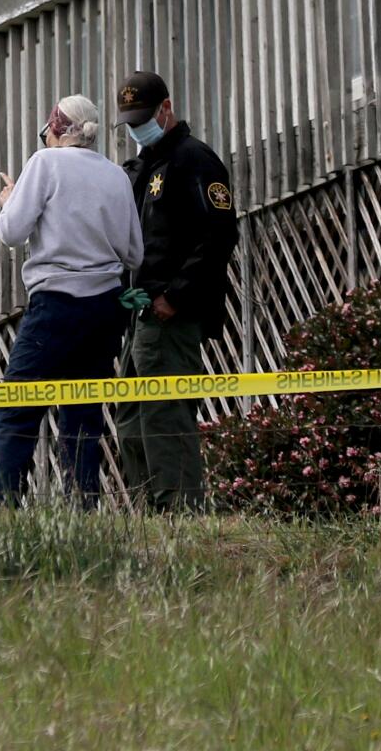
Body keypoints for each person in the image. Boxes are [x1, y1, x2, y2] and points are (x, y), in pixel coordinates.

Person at [0, 95, 143, 508]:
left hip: (54, 303)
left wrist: (9, 201)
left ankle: (0, 508)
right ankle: (82, 506)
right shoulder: (116, 176)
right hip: (105, 308)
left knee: (17, 409)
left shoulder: (44, 163)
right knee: (83, 415)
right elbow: (134, 254)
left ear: (55, 127)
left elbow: (12, 233)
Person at [112, 71, 238, 511]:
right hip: (140, 314)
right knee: (130, 418)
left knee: (164, 415)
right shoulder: (143, 167)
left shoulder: (195, 159)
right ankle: (151, 518)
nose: (137, 128)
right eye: (129, 122)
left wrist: (175, 297)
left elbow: (218, 234)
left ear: (166, 109)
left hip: (170, 313)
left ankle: (181, 518)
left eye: (143, 118)